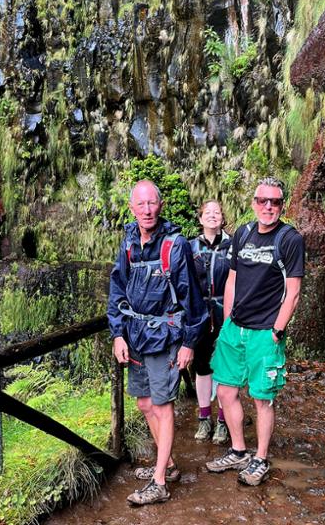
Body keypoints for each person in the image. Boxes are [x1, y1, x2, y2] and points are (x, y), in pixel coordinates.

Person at [108, 180, 207, 505]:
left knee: (163, 407)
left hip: (165, 337)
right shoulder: (128, 244)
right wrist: (118, 333)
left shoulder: (175, 245)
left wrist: (189, 343)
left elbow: (193, 298)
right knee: (145, 404)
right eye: (141, 204)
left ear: (160, 206)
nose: (147, 210)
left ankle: (160, 481)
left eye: (152, 203)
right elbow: (117, 290)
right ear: (132, 207)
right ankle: (170, 465)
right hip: (135, 337)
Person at [206, 177, 305, 486]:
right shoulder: (244, 234)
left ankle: (260, 457)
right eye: (262, 200)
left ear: (282, 205)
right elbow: (232, 279)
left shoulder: (290, 239)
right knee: (225, 390)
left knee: (262, 398)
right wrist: (226, 321)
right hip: (235, 327)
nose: (268, 207)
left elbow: (293, 292)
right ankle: (238, 451)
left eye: (274, 202)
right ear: (253, 203)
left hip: (265, 331)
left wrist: (278, 329)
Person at [189, 200, 232, 445]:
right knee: (203, 367)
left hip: (225, 312)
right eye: (208, 213)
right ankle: (204, 419)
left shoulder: (233, 245)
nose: (212, 216)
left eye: (217, 212)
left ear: (222, 218)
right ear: (201, 218)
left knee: (226, 369)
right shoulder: (191, 247)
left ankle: (224, 422)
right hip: (200, 315)